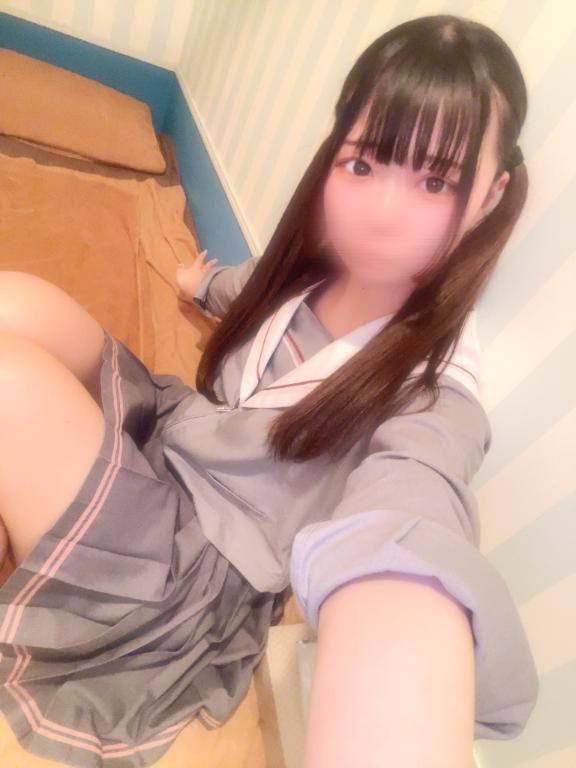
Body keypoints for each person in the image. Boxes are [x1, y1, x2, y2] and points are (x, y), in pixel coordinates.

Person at [0, 12, 538, 768]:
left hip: (193, 562)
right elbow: (245, 290)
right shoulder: (318, 268)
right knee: (15, 303)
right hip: (174, 434)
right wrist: (196, 282)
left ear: (490, 194)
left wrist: (401, 639)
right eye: (364, 164)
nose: (381, 214)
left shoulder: (437, 389)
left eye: (435, 181)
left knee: (8, 381)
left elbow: (413, 515)